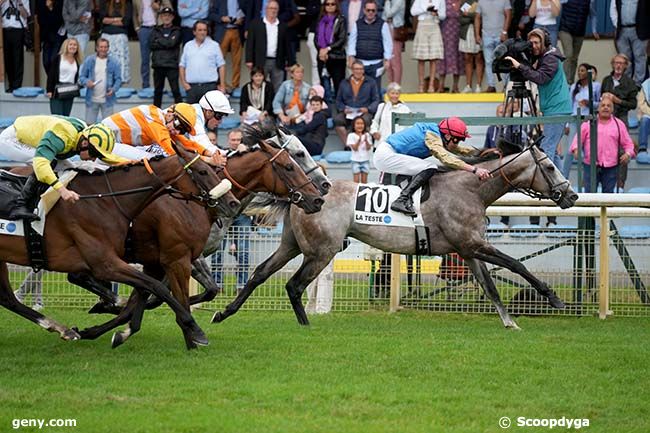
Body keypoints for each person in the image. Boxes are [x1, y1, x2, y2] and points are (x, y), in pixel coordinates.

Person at [0, 116, 127, 221]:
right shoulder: (63, 136)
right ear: (85, 144)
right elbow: (41, 164)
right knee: (49, 163)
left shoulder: (84, 136)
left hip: (35, 136)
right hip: (13, 139)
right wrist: (62, 191)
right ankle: (18, 205)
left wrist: (135, 162)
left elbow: (109, 159)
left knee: (72, 166)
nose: (95, 159)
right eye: (95, 155)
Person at [506, 28, 570, 226]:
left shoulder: (550, 59)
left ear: (544, 43)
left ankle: (553, 187)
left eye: (535, 43)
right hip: (554, 109)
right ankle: (563, 182)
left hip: (557, 109)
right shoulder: (546, 57)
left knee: (548, 149)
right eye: (530, 43)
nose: (532, 46)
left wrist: (520, 66)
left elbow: (541, 78)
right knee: (554, 152)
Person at [373, 117, 491, 216]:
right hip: (387, 155)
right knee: (430, 167)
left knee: (427, 168)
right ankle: (401, 200)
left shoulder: (438, 133)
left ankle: (405, 199)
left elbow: (456, 149)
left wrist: (481, 152)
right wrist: (474, 170)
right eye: (457, 140)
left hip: (389, 154)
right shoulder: (432, 136)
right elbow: (446, 158)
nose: (457, 144)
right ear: (448, 136)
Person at [102, 103, 222, 160]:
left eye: (183, 131)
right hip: (104, 141)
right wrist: (207, 160)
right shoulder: (154, 116)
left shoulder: (164, 123)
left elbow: (186, 143)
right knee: (153, 159)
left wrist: (210, 153)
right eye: (179, 126)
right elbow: (170, 149)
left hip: (116, 143)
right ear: (170, 114)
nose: (177, 132)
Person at [212, 129, 252, 295]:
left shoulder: (249, 161)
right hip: (222, 212)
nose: (235, 142)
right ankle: (216, 284)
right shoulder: (223, 158)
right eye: (233, 139)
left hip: (241, 213)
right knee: (216, 251)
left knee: (243, 250)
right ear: (228, 140)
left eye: (238, 139)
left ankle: (242, 286)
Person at [570, 95, 635, 193]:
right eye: (603, 105)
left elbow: (628, 144)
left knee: (608, 197)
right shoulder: (588, 124)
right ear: (598, 108)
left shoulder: (619, 124)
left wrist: (628, 154)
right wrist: (576, 150)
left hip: (611, 167)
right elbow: (577, 140)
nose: (605, 107)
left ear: (612, 109)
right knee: (590, 197)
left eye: (609, 106)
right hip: (590, 165)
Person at [561, 63, 600, 178]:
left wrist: (589, 103)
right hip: (574, 119)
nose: (580, 73)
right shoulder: (574, 87)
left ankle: (588, 178)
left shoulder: (596, 86)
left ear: (589, 72)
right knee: (569, 150)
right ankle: (564, 177)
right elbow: (569, 105)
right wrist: (567, 123)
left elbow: (600, 104)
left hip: (588, 121)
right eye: (579, 71)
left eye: (583, 71)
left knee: (588, 151)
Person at [245, 0, 290, 92]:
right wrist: (249, 59)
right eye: (271, 8)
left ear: (278, 10)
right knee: (259, 86)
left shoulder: (283, 26)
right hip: (261, 61)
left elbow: (287, 46)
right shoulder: (256, 24)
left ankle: (274, 106)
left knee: (278, 88)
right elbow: (250, 43)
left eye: (275, 9)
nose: (273, 11)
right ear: (266, 9)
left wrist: (289, 61)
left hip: (278, 61)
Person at [347, 0, 393, 92]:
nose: (370, 12)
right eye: (368, 10)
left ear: (376, 11)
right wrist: (351, 57)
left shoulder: (383, 24)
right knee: (359, 90)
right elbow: (352, 41)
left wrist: (387, 59)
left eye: (373, 10)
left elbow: (388, 42)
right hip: (360, 64)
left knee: (375, 90)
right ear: (364, 10)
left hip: (377, 63)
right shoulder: (357, 24)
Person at [334, 60, 380, 147]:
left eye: (360, 69)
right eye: (356, 69)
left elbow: (376, 100)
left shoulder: (371, 82)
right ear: (352, 70)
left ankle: (363, 146)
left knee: (365, 120)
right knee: (337, 120)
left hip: (364, 111)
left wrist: (368, 109)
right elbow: (338, 100)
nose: (358, 71)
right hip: (348, 111)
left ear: (363, 70)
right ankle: (349, 145)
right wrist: (343, 109)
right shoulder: (344, 83)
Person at [179, 20, 227, 104]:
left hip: (209, 87)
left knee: (210, 115)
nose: (202, 32)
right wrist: (184, 83)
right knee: (191, 115)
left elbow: (221, 65)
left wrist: (222, 85)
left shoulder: (214, 45)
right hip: (192, 88)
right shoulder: (188, 46)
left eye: (204, 30)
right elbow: (182, 65)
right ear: (194, 32)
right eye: (200, 30)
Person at [78, 38, 123, 124]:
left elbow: (118, 79)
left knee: (108, 126)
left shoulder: (114, 62)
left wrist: (113, 89)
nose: (103, 49)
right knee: (89, 126)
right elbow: (82, 77)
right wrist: (87, 82)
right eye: (101, 47)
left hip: (108, 99)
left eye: (105, 47)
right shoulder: (89, 60)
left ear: (108, 48)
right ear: (97, 48)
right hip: (91, 99)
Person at [609, 0, 650, 86]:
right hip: (622, 30)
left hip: (639, 30)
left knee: (640, 58)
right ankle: (625, 85)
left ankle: (638, 86)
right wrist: (617, 25)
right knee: (624, 59)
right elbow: (613, 9)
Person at [557, 0, 598, 84]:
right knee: (568, 54)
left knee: (574, 58)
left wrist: (594, 30)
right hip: (565, 29)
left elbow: (593, 15)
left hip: (579, 32)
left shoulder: (590, 1)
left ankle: (570, 82)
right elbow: (556, 6)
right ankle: (565, 81)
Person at [475, 0, 511, 93]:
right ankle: (491, 86)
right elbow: (477, 17)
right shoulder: (481, 1)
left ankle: (506, 85)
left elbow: (508, 15)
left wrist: (504, 31)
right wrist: (477, 34)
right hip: (486, 35)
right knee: (488, 61)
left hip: (500, 35)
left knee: (504, 61)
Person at [314, 0, 348, 100]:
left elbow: (342, 39)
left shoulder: (341, 19)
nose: (329, 6)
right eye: (327, 4)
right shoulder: (320, 19)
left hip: (337, 57)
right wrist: (321, 50)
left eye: (332, 4)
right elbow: (316, 38)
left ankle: (338, 111)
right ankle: (325, 111)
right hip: (322, 57)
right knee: (323, 87)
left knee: (338, 86)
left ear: (336, 6)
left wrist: (327, 49)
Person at [150, 6, 182, 107]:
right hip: (158, 65)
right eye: (164, 15)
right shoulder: (155, 30)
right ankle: (156, 116)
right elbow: (151, 44)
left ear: (172, 17)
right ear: (161, 17)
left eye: (168, 15)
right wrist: (167, 41)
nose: (166, 17)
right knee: (157, 92)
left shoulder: (177, 30)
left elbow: (172, 44)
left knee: (175, 91)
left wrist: (159, 40)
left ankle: (181, 114)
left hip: (171, 65)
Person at [210, 0, 244, 93]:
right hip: (223, 30)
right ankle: (220, 85)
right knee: (219, 60)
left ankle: (235, 85)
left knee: (237, 60)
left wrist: (241, 19)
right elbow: (211, 14)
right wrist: (222, 18)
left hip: (237, 30)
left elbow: (246, 11)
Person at [133, 0, 167, 89]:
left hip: (157, 28)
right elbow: (134, 14)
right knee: (145, 60)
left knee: (159, 59)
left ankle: (158, 86)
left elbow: (170, 9)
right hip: (143, 29)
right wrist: (137, 28)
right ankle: (146, 86)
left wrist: (159, 8)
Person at [601, 54, 640, 128]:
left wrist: (618, 101)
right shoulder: (606, 80)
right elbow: (601, 97)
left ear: (625, 66)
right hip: (606, 114)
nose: (618, 66)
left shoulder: (630, 83)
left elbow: (633, 105)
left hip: (621, 115)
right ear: (612, 64)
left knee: (622, 132)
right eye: (616, 63)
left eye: (621, 63)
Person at [46, 38, 83, 116]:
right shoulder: (58, 58)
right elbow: (51, 75)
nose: (73, 47)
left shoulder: (77, 60)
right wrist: (49, 90)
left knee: (66, 117)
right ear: (66, 46)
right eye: (71, 44)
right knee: (57, 117)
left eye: (75, 45)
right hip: (57, 90)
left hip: (70, 90)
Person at [99, 0, 132, 83]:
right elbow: (102, 20)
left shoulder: (127, 3)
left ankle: (120, 81)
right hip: (106, 35)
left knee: (120, 61)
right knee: (106, 59)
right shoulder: (105, 2)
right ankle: (106, 80)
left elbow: (126, 22)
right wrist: (117, 19)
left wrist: (110, 20)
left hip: (120, 36)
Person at [1, 0, 30, 92]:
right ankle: (10, 85)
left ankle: (17, 86)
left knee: (17, 59)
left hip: (18, 30)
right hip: (4, 30)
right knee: (7, 59)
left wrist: (19, 3)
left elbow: (26, 15)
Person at [370, 81, 411, 147]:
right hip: (382, 142)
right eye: (392, 93)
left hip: (399, 143)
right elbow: (375, 121)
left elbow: (409, 127)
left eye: (397, 93)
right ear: (388, 94)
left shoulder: (405, 109)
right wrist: (374, 131)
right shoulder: (382, 106)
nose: (394, 96)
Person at [437, 0, 463, 93]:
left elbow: (469, 16)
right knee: (443, 58)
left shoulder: (462, 2)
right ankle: (441, 86)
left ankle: (455, 86)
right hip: (445, 33)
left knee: (457, 58)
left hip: (458, 34)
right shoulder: (443, 2)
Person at [36, 0, 66, 79]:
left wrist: (51, 8)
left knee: (54, 60)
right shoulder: (41, 2)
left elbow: (61, 19)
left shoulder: (60, 2)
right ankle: (52, 80)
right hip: (46, 36)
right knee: (46, 62)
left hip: (58, 35)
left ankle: (53, 82)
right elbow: (40, 19)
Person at [459, 0, 483, 93]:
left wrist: (468, 14)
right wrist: (473, 15)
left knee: (478, 58)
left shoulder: (481, 2)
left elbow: (481, 17)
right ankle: (468, 85)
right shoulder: (465, 2)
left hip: (478, 32)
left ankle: (478, 86)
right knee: (467, 58)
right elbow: (461, 19)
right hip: (466, 33)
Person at [383, 0, 406, 85]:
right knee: (388, 59)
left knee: (395, 61)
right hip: (387, 29)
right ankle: (390, 86)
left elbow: (389, 14)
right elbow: (383, 17)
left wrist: (387, 2)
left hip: (396, 31)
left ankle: (396, 86)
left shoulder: (399, 1)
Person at [348, 116, 373, 183]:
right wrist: (359, 140)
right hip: (355, 160)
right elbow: (355, 148)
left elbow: (368, 148)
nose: (360, 125)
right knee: (356, 181)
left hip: (365, 160)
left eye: (362, 124)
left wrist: (366, 140)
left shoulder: (367, 135)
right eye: (358, 124)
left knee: (364, 181)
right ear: (354, 125)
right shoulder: (351, 135)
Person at [638, 77, 650, 153]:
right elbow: (641, 104)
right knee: (644, 120)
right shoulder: (645, 85)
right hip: (647, 112)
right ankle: (642, 147)